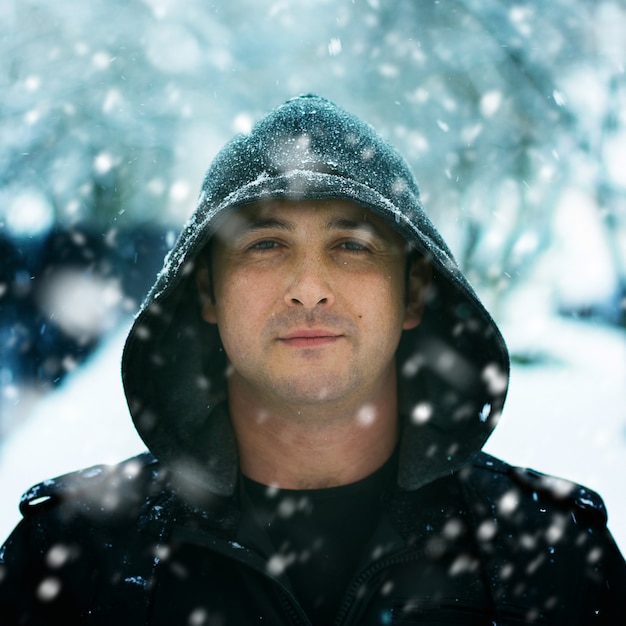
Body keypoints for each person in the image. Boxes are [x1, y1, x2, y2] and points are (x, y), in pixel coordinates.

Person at [0, 94, 624, 625]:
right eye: (266, 244)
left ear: (412, 293)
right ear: (208, 291)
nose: (309, 287)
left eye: (351, 245)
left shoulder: (551, 555)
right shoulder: (76, 556)